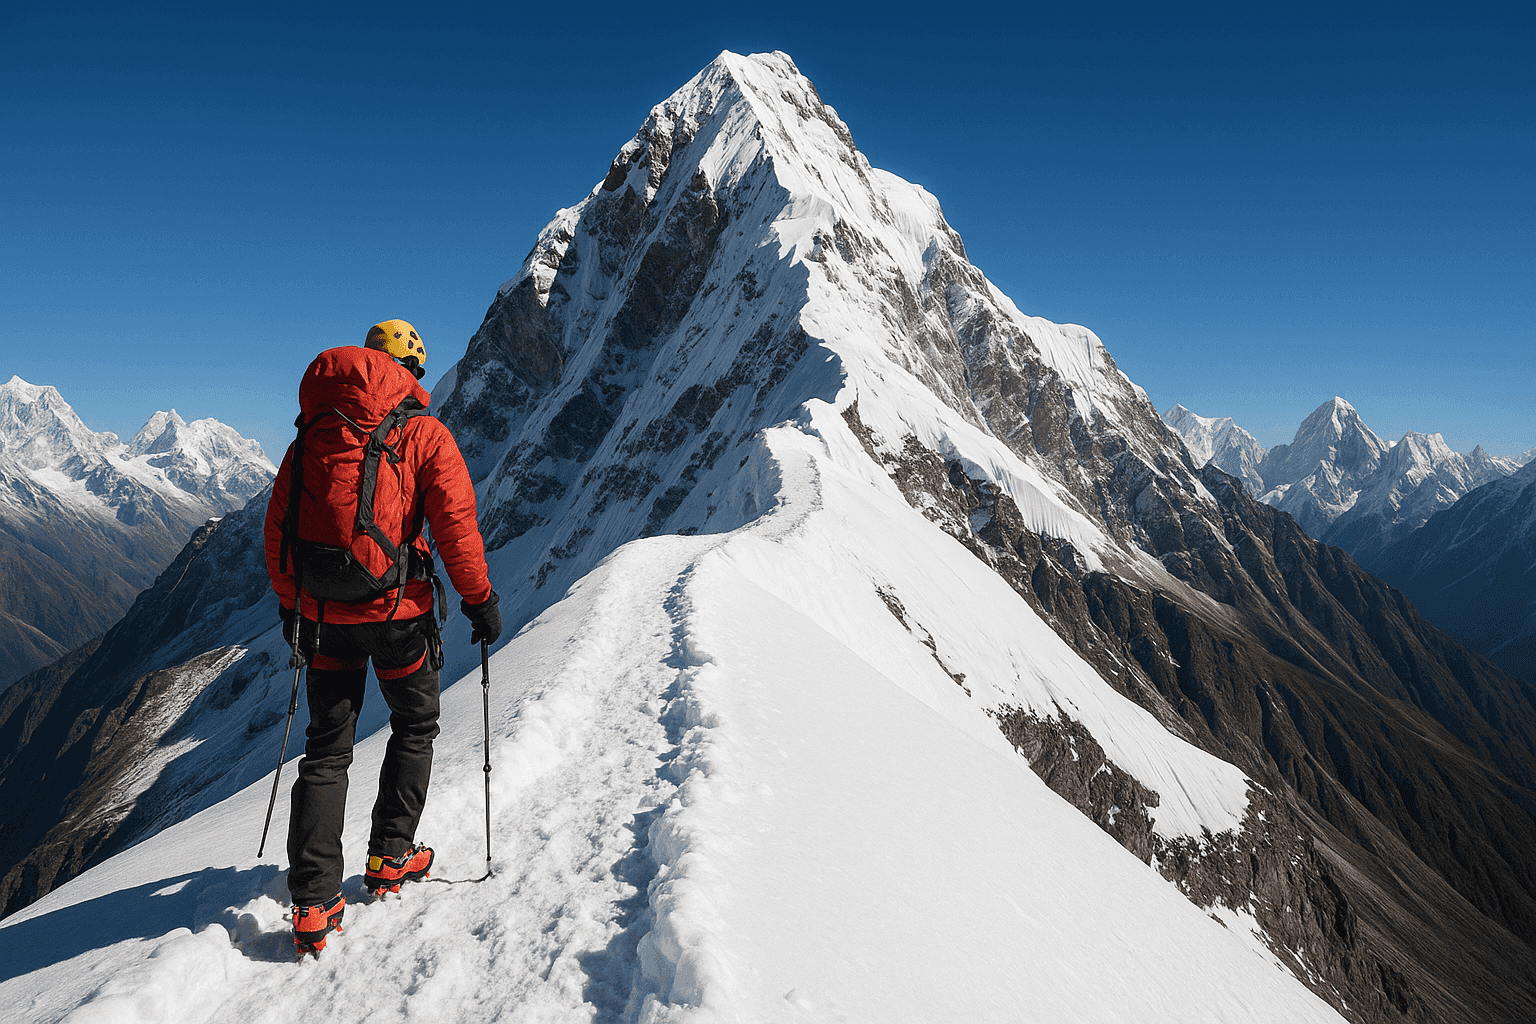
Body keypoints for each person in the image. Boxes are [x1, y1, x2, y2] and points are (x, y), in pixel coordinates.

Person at [263, 319, 502, 956]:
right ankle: (390, 856)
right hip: (399, 615)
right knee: (415, 725)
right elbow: (455, 528)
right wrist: (480, 601)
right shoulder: (425, 433)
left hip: (324, 617)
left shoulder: (312, 433)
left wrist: (292, 605)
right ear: (412, 373)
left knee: (326, 750)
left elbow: (278, 528)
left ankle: (313, 902)